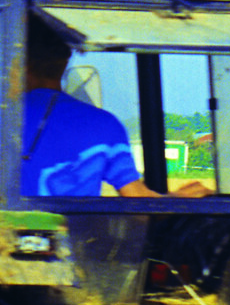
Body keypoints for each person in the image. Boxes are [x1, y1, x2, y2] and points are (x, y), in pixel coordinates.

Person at [21, 14, 207, 199]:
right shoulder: (102, 124)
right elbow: (137, 199)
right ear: (67, 58)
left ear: (20, 59)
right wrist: (179, 200)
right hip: (75, 229)